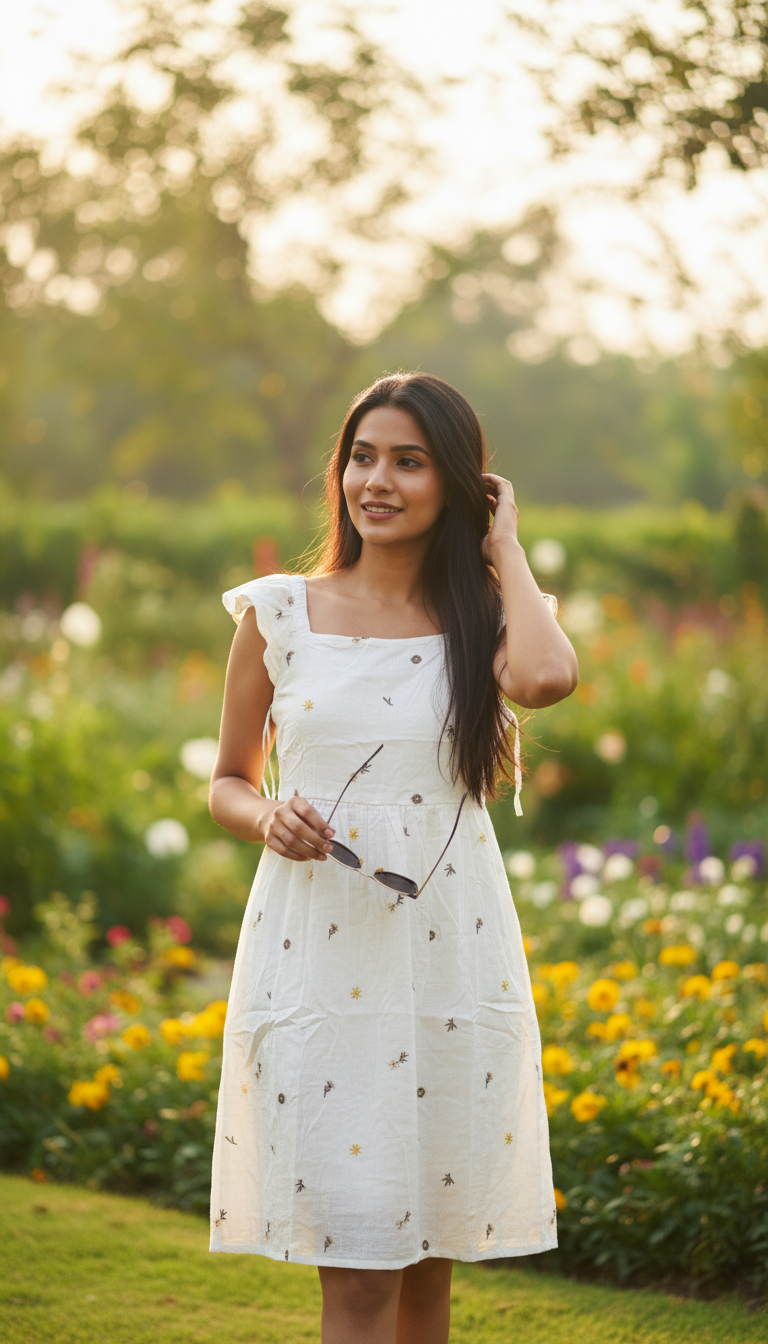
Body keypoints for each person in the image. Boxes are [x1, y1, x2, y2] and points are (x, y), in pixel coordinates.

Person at [208, 372, 578, 1344]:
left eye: (409, 462)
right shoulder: (278, 612)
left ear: (457, 483)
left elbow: (548, 678)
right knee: (360, 1272)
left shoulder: (484, 615)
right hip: (320, 962)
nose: (377, 481)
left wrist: (505, 546)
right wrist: (265, 817)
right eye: (362, 457)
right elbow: (227, 780)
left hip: (448, 957)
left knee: (424, 1271)